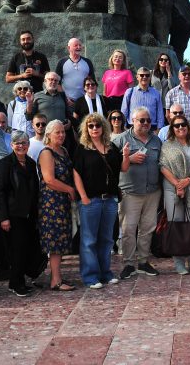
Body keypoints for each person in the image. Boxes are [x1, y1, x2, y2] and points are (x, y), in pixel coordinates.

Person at [74, 114, 130, 288]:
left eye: (97, 125)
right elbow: (76, 173)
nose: (94, 128)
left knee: (106, 239)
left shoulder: (111, 147)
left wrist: (126, 155)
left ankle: (105, 273)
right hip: (91, 200)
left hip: (110, 200)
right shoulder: (82, 149)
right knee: (89, 240)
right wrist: (83, 197)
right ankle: (91, 277)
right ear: (86, 128)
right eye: (90, 126)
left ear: (103, 127)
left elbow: (123, 168)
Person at [112, 107, 163, 279]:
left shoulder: (156, 141)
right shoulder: (120, 139)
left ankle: (143, 261)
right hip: (130, 192)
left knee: (147, 228)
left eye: (148, 120)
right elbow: (109, 163)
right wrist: (129, 159)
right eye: (142, 120)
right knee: (128, 229)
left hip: (152, 191)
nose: (146, 123)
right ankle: (128, 263)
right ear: (132, 121)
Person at [0, 131, 44, 297]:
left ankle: (18, 281)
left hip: (29, 214)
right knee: (16, 250)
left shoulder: (31, 163)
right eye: (17, 143)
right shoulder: (5, 163)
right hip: (13, 214)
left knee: (25, 248)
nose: (21, 146)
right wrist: (3, 218)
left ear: (28, 144)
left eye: (24, 142)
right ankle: (16, 283)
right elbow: (1, 191)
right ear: (11, 145)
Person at [159, 114, 190, 275]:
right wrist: (178, 184)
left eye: (183, 124)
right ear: (172, 129)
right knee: (176, 224)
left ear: (188, 126)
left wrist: (187, 181)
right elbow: (163, 166)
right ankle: (179, 262)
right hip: (172, 189)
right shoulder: (167, 145)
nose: (180, 127)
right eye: (177, 125)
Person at [37, 120, 76, 291]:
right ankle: (55, 280)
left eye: (63, 132)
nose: (61, 135)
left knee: (60, 240)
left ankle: (57, 276)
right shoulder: (47, 153)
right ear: (49, 134)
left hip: (62, 202)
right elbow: (49, 180)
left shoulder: (64, 151)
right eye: (57, 132)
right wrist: (70, 189)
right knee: (54, 242)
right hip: (51, 203)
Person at [56, 37, 96, 104]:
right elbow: (57, 83)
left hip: (85, 100)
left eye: (80, 45)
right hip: (68, 102)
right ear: (69, 48)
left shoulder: (87, 62)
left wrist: (91, 96)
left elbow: (93, 81)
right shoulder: (62, 62)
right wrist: (65, 98)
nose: (79, 47)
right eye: (76, 45)